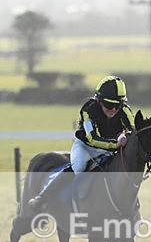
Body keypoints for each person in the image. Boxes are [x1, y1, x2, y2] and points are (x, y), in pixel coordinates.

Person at [29, 75, 134, 211]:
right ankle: (43, 197)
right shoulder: (88, 110)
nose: (113, 109)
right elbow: (92, 138)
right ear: (98, 100)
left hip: (109, 148)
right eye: (109, 105)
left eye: (118, 105)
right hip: (86, 146)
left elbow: (133, 131)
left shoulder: (125, 111)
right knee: (78, 167)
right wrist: (116, 144)